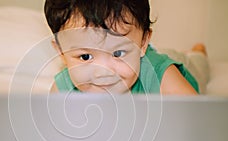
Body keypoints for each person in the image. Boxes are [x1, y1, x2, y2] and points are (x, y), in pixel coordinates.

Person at [44, 0, 206, 94]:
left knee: (197, 64)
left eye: (118, 53)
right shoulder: (63, 87)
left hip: (172, 63)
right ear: (61, 53)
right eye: (85, 56)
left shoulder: (159, 75)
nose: (102, 72)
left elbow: (201, 121)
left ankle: (198, 52)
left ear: (143, 43)